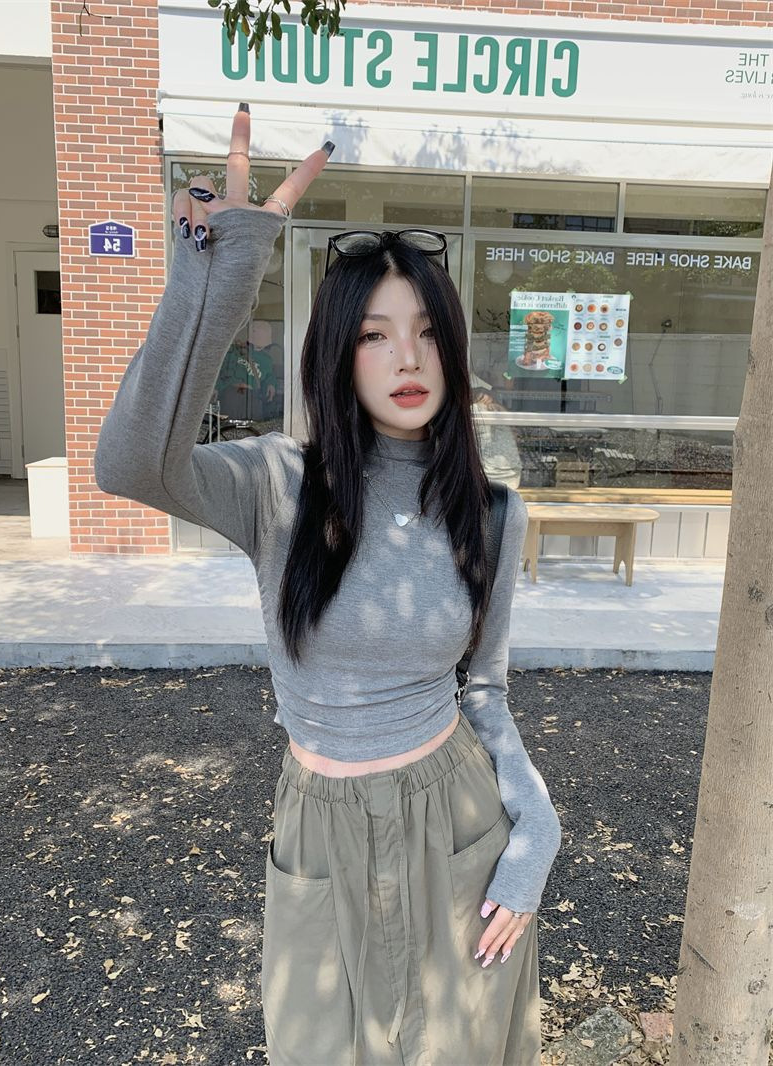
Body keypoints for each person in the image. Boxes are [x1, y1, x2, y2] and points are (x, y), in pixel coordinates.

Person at [94, 103, 561, 1066]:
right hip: (318, 819)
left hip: (455, 817)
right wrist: (218, 276)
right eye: (375, 335)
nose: (407, 358)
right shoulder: (278, 485)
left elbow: (485, 690)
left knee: (458, 1049)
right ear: (338, 351)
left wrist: (537, 825)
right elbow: (131, 463)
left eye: (426, 333)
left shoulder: (492, 513)